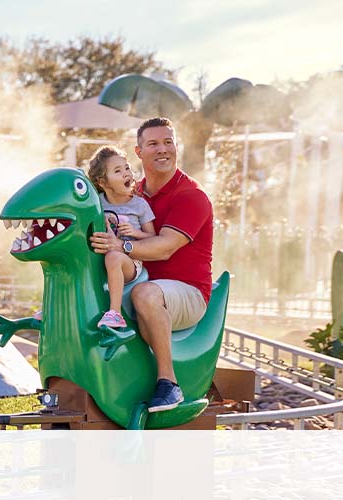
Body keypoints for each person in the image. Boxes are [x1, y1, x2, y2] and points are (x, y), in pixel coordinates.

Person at [89, 117, 213, 413]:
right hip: (138, 281)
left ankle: (169, 384)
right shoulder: (131, 193)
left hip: (187, 292)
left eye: (168, 142)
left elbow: (166, 247)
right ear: (139, 151)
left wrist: (123, 246)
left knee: (143, 294)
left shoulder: (191, 196)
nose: (163, 149)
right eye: (153, 143)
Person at [86, 146, 155, 329]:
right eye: (118, 171)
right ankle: (53, 306)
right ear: (103, 182)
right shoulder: (97, 203)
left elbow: (152, 237)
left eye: (127, 168)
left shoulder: (139, 205)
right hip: (101, 259)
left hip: (130, 264)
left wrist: (135, 232)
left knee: (113, 257)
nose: (127, 173)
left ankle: (115, 314)